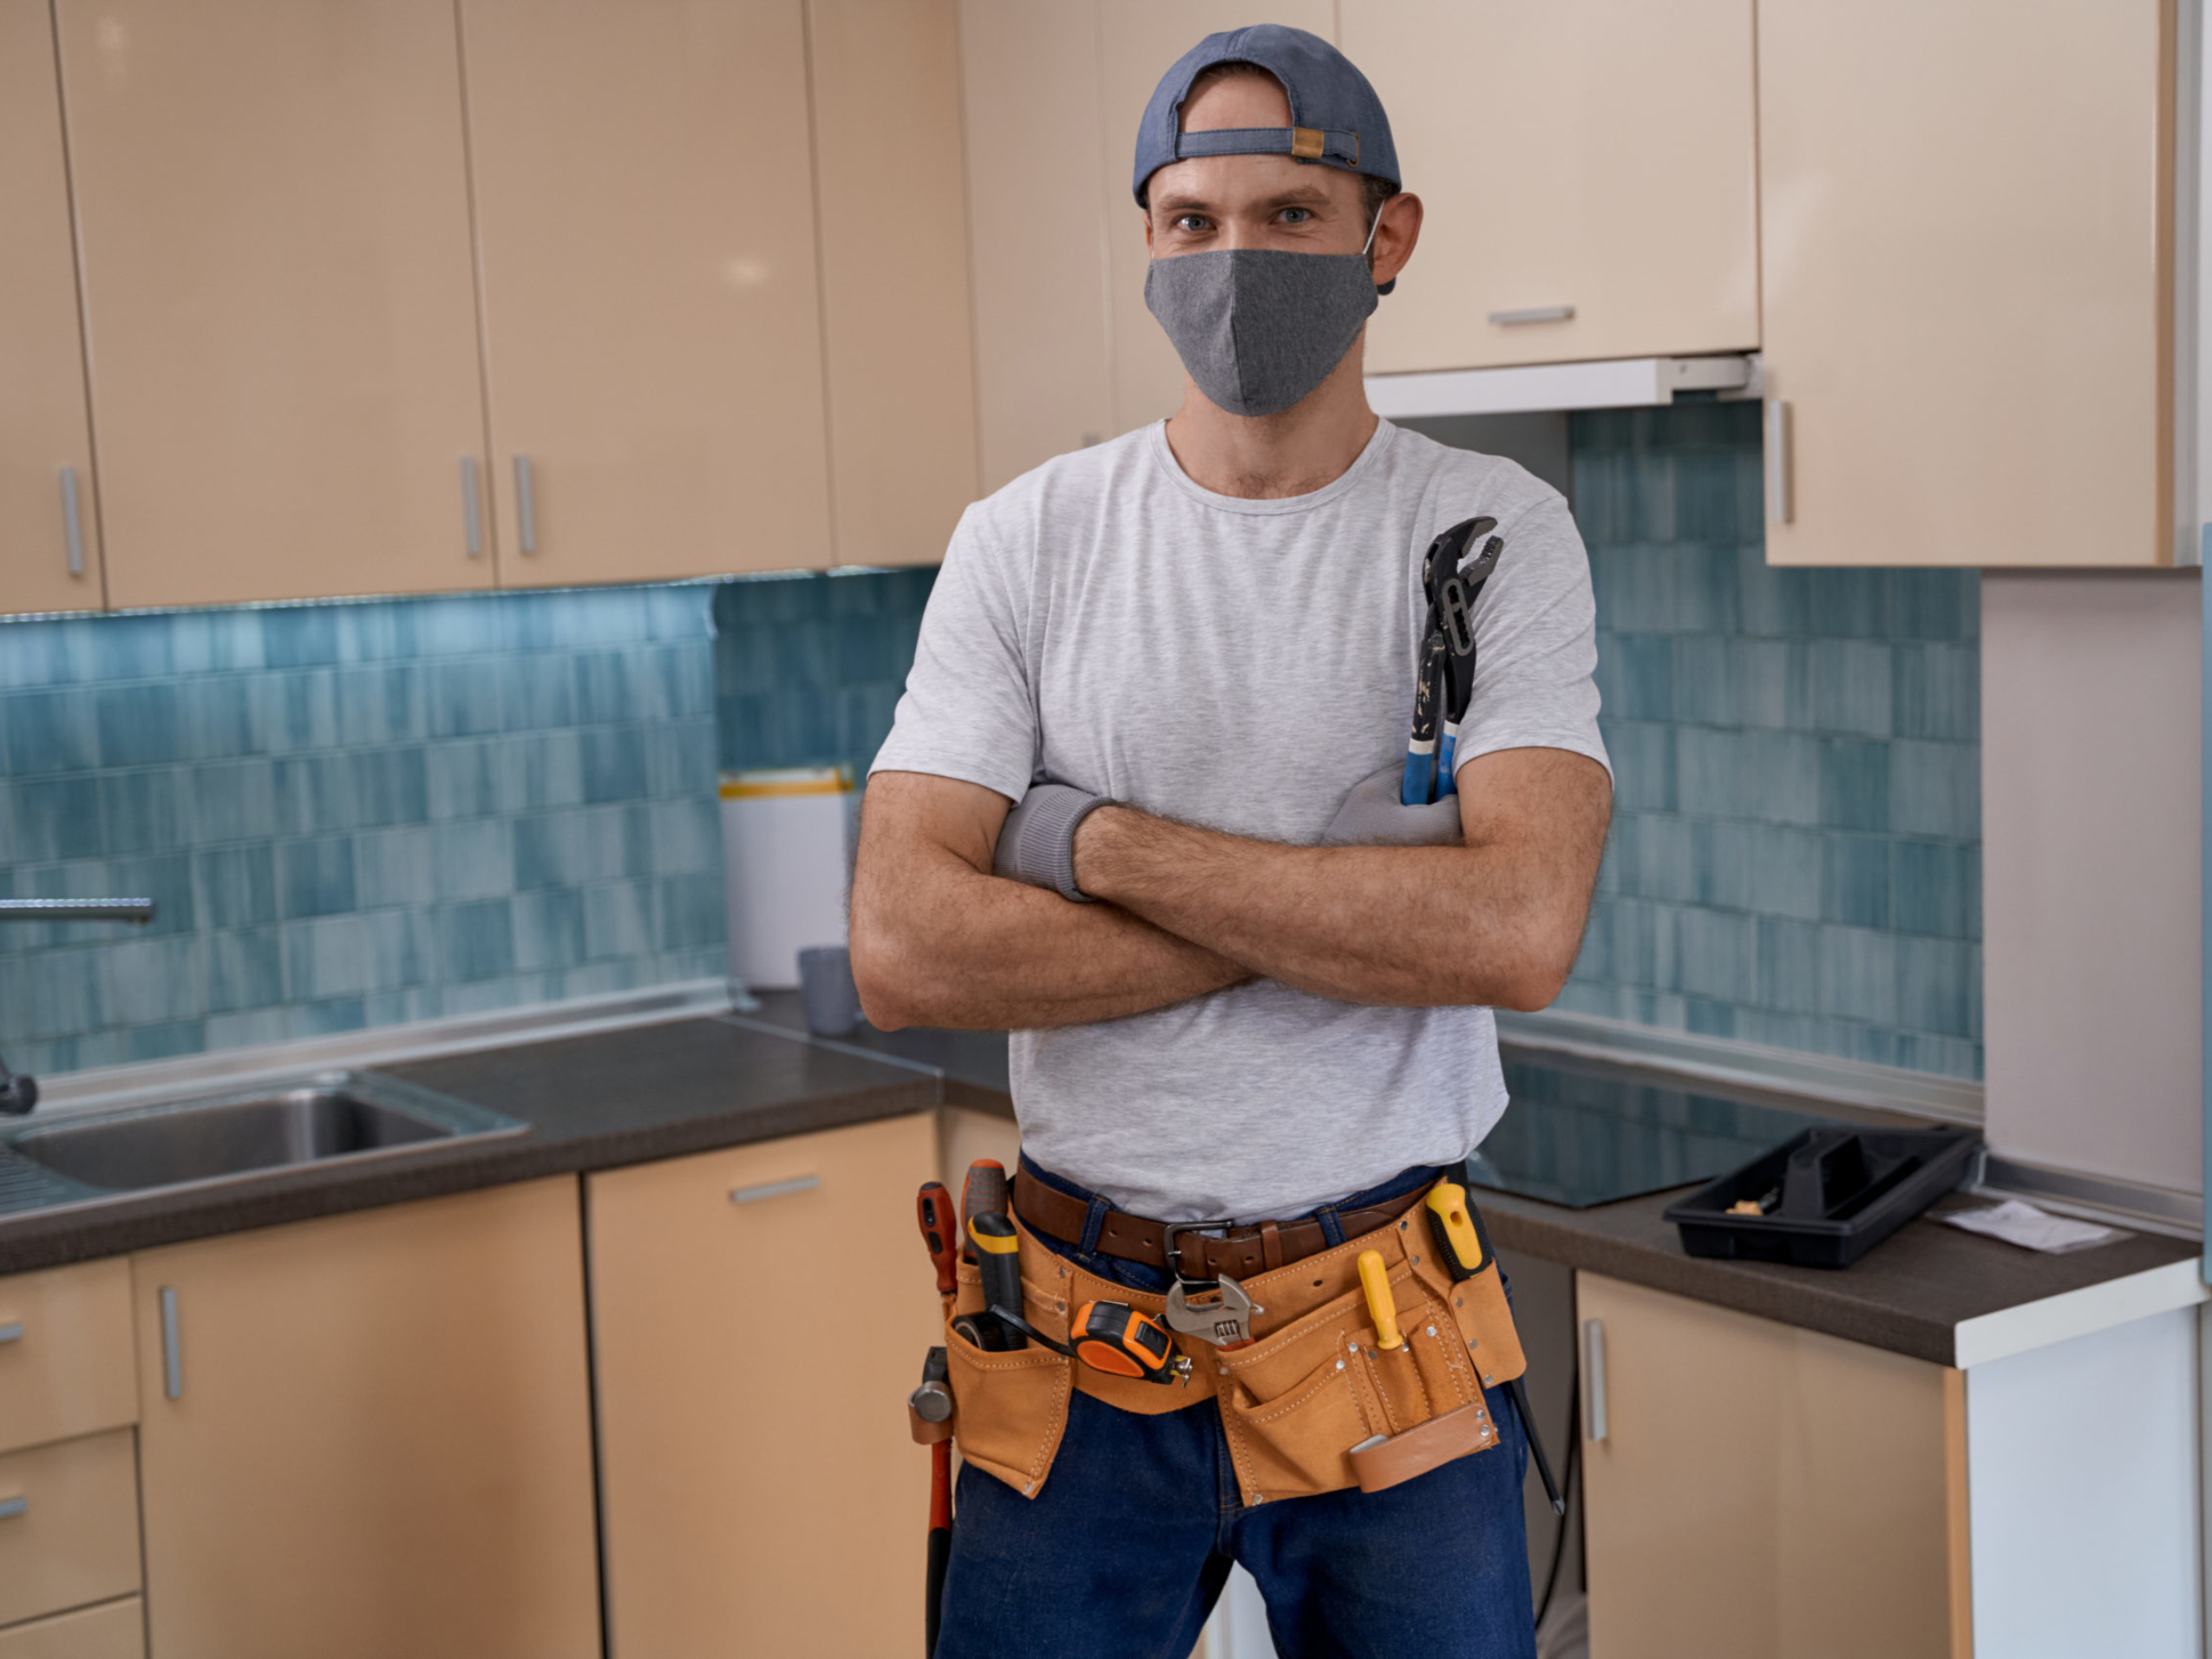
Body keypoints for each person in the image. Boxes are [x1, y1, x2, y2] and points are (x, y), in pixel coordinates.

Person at [851, 23, 1611, 1659]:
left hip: (1387, 1329)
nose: (1232, 260)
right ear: (1146, 241)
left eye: (1286, 216)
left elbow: (1517, 932)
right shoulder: (1027, 540)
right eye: (1191, 221)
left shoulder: (1489, 533)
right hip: (1073, 1346)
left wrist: (1094, 845)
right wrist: (1354, 907)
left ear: (1385, 237)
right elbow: (904, 950)